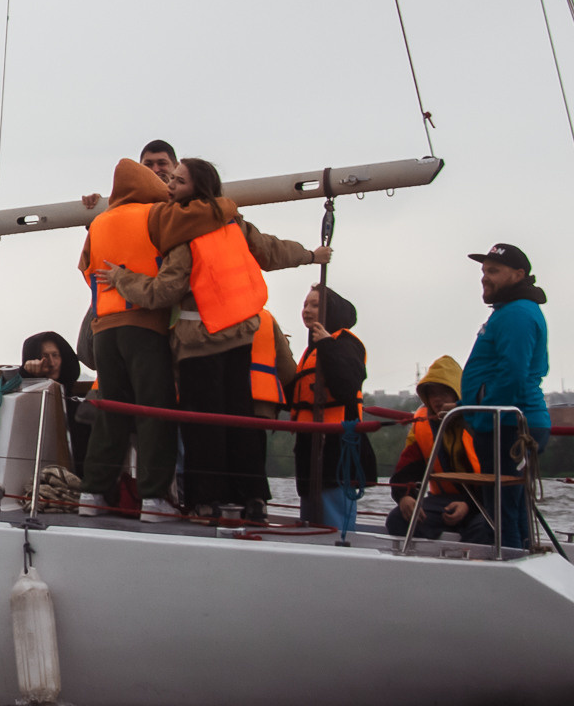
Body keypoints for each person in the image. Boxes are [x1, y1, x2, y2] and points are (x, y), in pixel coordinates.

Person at [105, 158, 328, 521]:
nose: (171, 186)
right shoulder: (234, 223)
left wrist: (121, 278)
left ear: (195, 187)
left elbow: (164, 291)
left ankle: (204, 501)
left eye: (178, 181)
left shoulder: (183, 234)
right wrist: (310, 255)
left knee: (201, 427)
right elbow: (269, 250)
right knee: (239, 421)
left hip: (198, 344)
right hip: (239, 337)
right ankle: (252, 497)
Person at [74, 158, 184, 514]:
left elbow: (85, 268)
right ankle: (154, 498)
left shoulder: (100, 222)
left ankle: (91, 494)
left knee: (112, 412)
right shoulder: (156, 214)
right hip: (145, 323)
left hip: (105, 328)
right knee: (154, 411)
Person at [459, 242, 550, 549]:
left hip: (507, 425)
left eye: (494, 271)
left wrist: (481, 418)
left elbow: (512, 372)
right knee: (507, 506)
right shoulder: (510, 311)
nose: (485, 277)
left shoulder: (516, 314)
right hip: (504, 422)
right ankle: (521, 555)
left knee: (503, 509)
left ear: (518, 274)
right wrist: (462, 407)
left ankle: (513, 564)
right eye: (484, 271)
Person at [288, 285, 373, 532]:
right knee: (310, 514)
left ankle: (340, 550)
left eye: (315, 305)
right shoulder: (311, 350)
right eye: (305, 304)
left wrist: (327, 345)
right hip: (309, 446)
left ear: (331, 310)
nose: (307, 310)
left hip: (336, 446)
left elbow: (347, 385)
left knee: (332, 517)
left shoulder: (345, 343)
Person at [386, 356, 478, 539]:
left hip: (482, 501)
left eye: (444, 393)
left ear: (457, 394)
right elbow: (407, 469)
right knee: (397, 519)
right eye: (432, 394)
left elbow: (496, 473)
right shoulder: (423, 424)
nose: (437, 399)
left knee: (483, 530)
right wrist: (405, 496)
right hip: (442, 501)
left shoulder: (478, 420)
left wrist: (469, 504)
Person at [19, 330, 93, 472]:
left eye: (55, 355)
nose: (52, 363)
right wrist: (27, 375)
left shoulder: (79, 407)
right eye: (45, 357)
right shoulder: (23, 402)